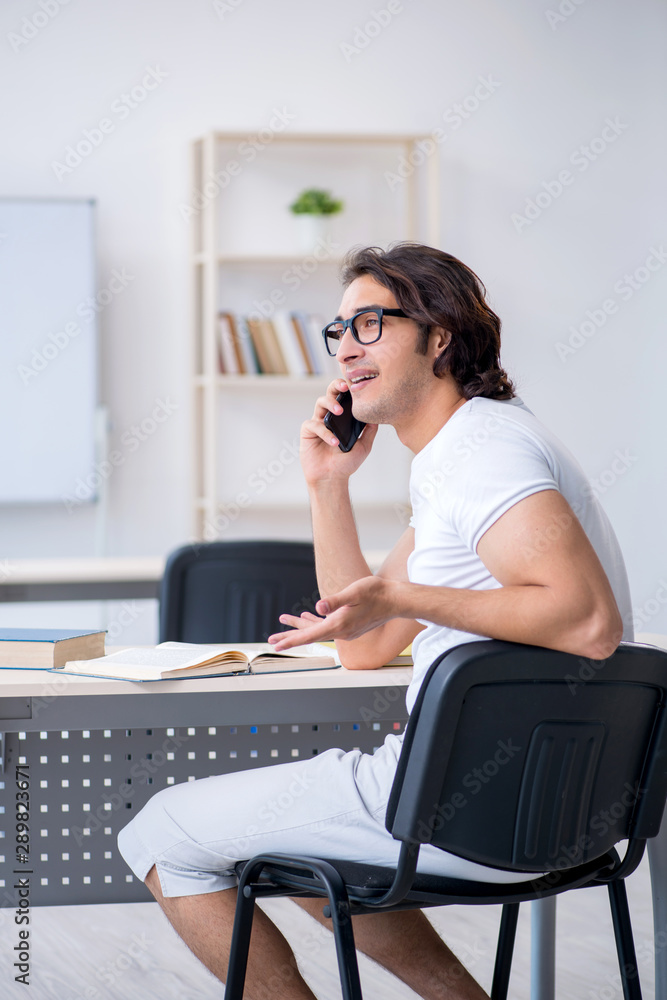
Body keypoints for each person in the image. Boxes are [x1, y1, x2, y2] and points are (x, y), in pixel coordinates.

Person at [118, 243, 632, 1000]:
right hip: (562, 813)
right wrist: (328, 487)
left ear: (439, 335)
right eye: (338, 331)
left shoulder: (481, 453)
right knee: (277, 831)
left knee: (161, 832)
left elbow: (588, 622)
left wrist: (408, 601)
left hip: (469, 806)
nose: (345, 348)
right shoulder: (465, 453)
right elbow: (364, 645)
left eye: (369, 323)